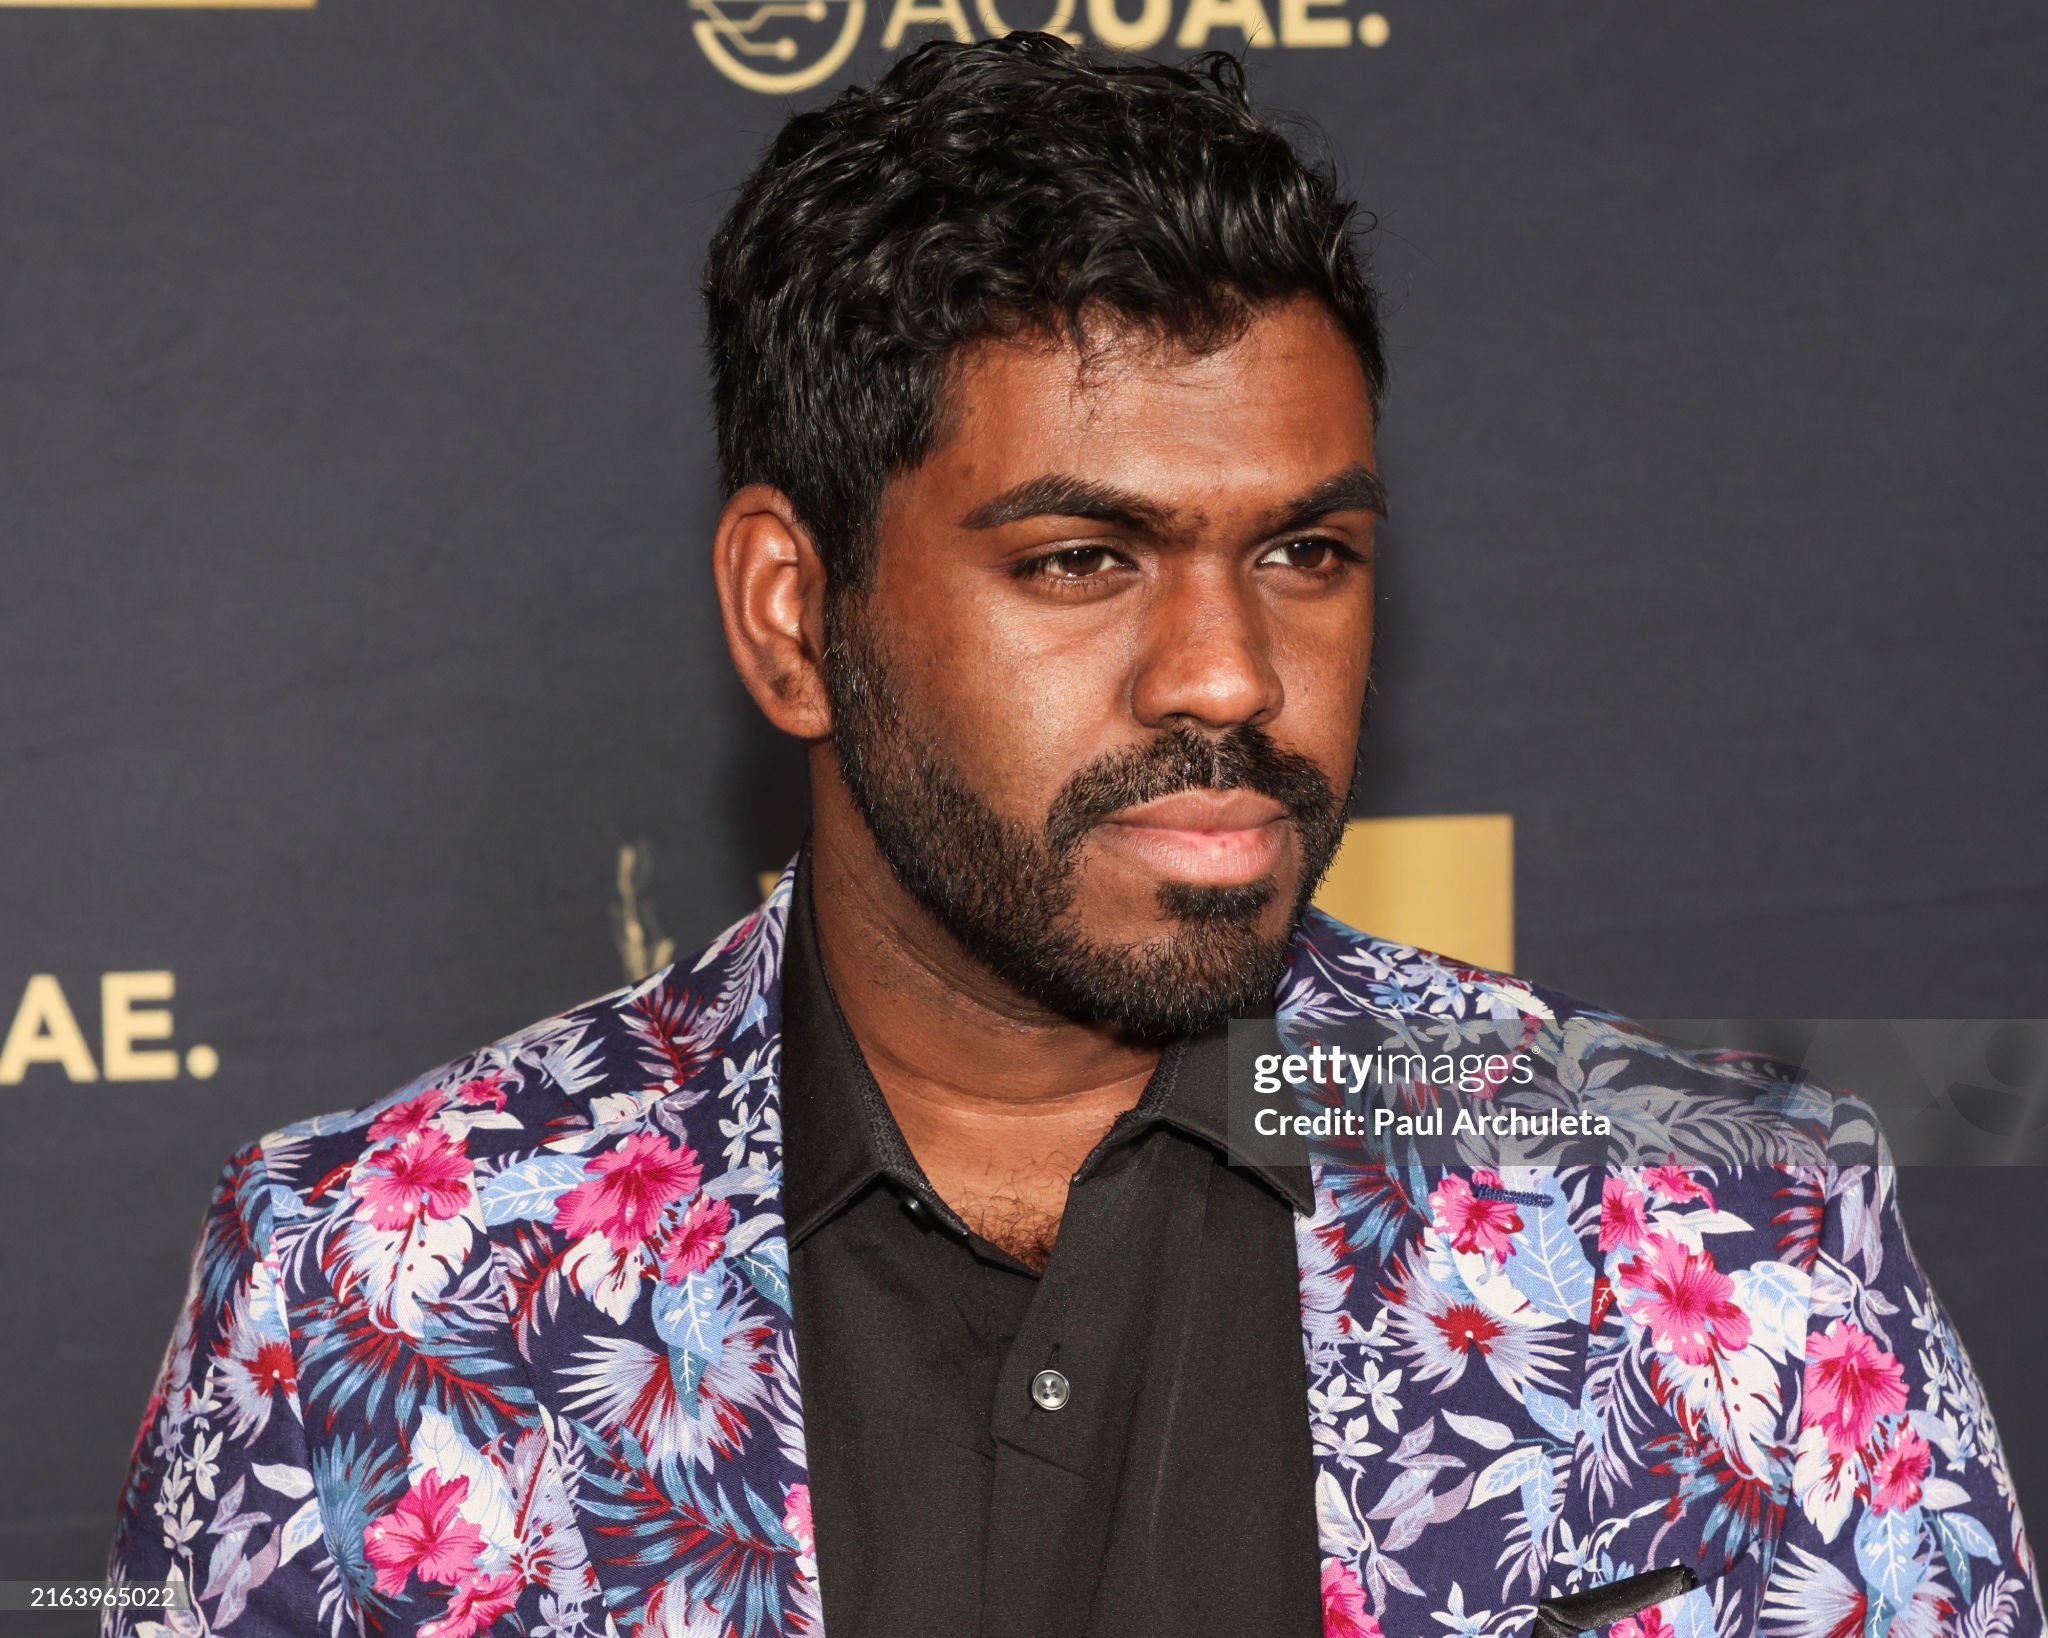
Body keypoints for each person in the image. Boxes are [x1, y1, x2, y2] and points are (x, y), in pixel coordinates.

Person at [104, 33, 2040, 1638]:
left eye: (1305, 552)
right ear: (794, 613)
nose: (1228, 677)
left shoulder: (1730, 1233)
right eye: (1080, 558)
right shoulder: (376, 1282)